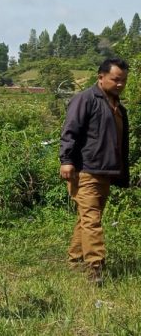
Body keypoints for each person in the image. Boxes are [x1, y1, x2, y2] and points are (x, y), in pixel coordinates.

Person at [60, 57, 129, 285]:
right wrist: (66, 160)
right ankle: (95, 268)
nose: (120, 84)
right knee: (92, 220)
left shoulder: (118, 106)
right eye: (115, 79)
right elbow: (70, 130)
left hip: (105, 171)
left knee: (86, 219)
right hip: (85, 170)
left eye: (123, 80)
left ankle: (75, 260)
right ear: (101, 77)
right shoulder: (85, 99)